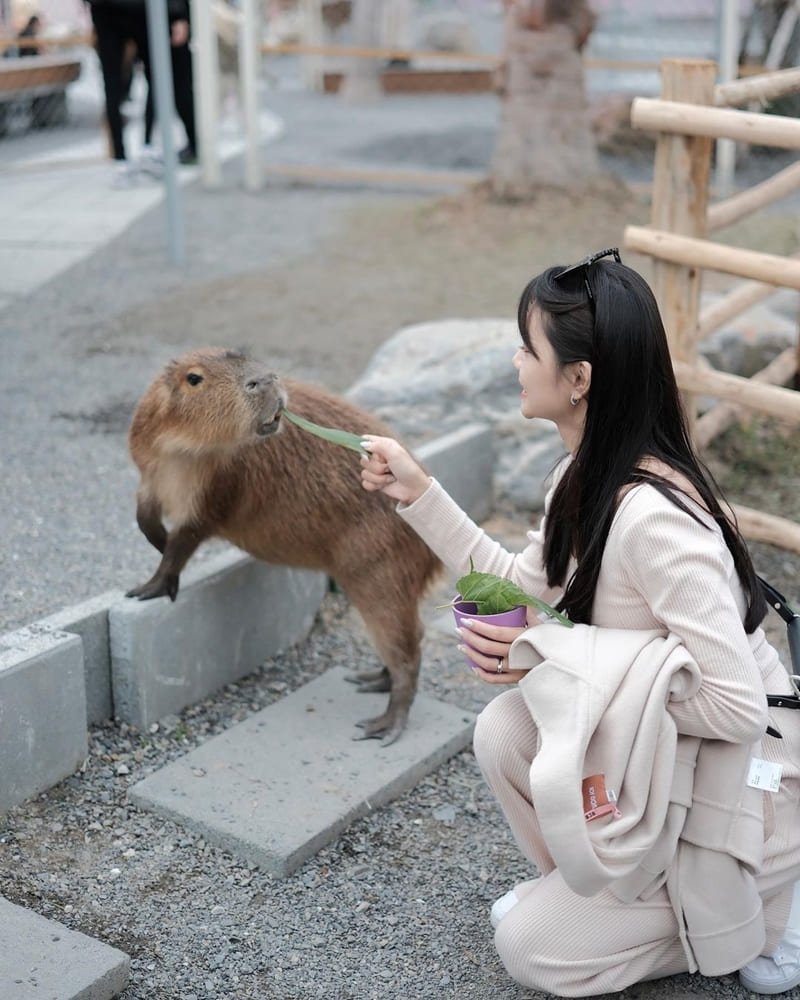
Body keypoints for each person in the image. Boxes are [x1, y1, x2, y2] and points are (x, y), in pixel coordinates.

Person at [357, 249, 800, 997]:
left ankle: (765, 908)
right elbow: (521, 586)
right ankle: (598, 896)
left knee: (530, 951)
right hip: (665, 762)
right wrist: (419, 491)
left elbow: (734, 705)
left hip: (742, 791)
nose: (516, 359)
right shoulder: (581, 478)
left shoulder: (659, 522)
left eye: (529, 347)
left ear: (579, 379)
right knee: (505, 731)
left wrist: (554, 651)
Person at [86, 0, 197, 186]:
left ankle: (131, 155)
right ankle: (138, 152)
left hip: (124, 10)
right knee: (145, 77)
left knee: (122, 81)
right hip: (133, 10)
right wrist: (179, 14)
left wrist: (179, 14)